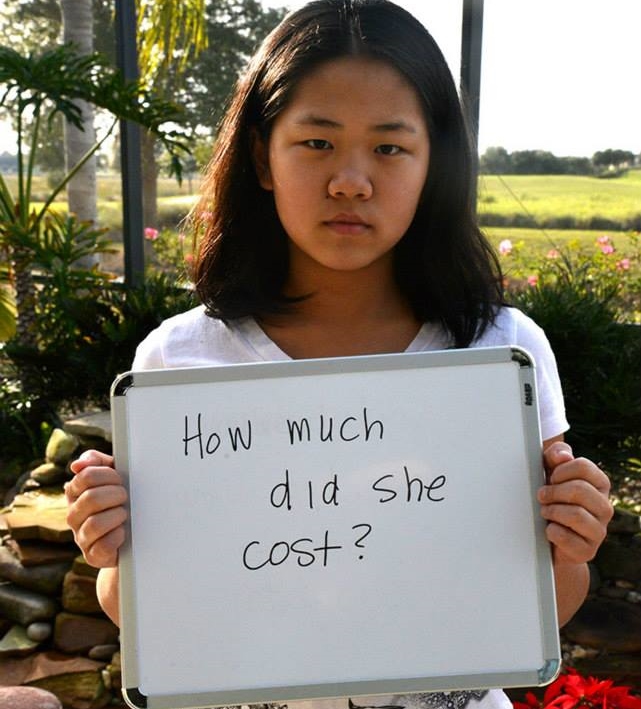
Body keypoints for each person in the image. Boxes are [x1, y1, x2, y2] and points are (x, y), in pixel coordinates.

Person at [65, 2, 613, 709]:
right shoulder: (178, 361)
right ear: (261, 156)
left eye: (389, 148)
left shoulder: (499, 351)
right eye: (317, 142)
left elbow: (542, 609)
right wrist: (110, 549)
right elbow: (147, 613)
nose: (350, 180)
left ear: (434, 164)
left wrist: (571, 542)